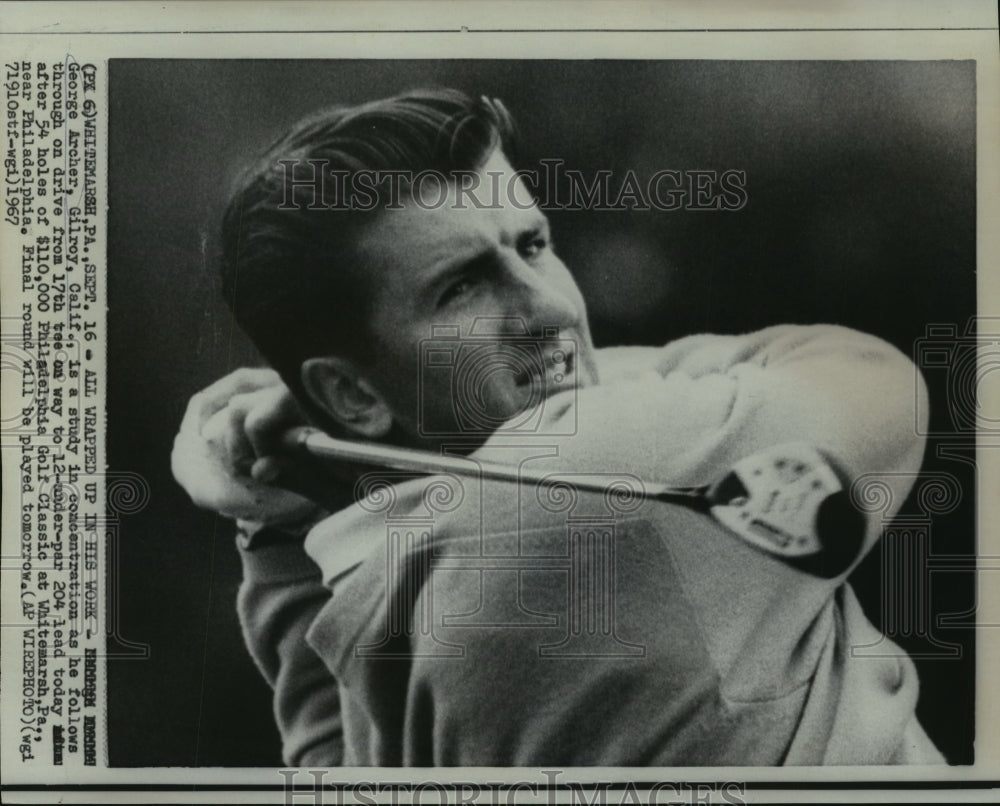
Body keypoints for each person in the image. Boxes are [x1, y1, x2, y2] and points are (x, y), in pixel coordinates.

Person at [171, 88, 944, 766]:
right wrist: (662, 372)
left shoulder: (387, 575)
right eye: (463, 287)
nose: (549, 308)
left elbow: (335, 766)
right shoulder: (615, 464)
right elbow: (873, 378)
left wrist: (275, 527)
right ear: (349, 394)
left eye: (533, 246)